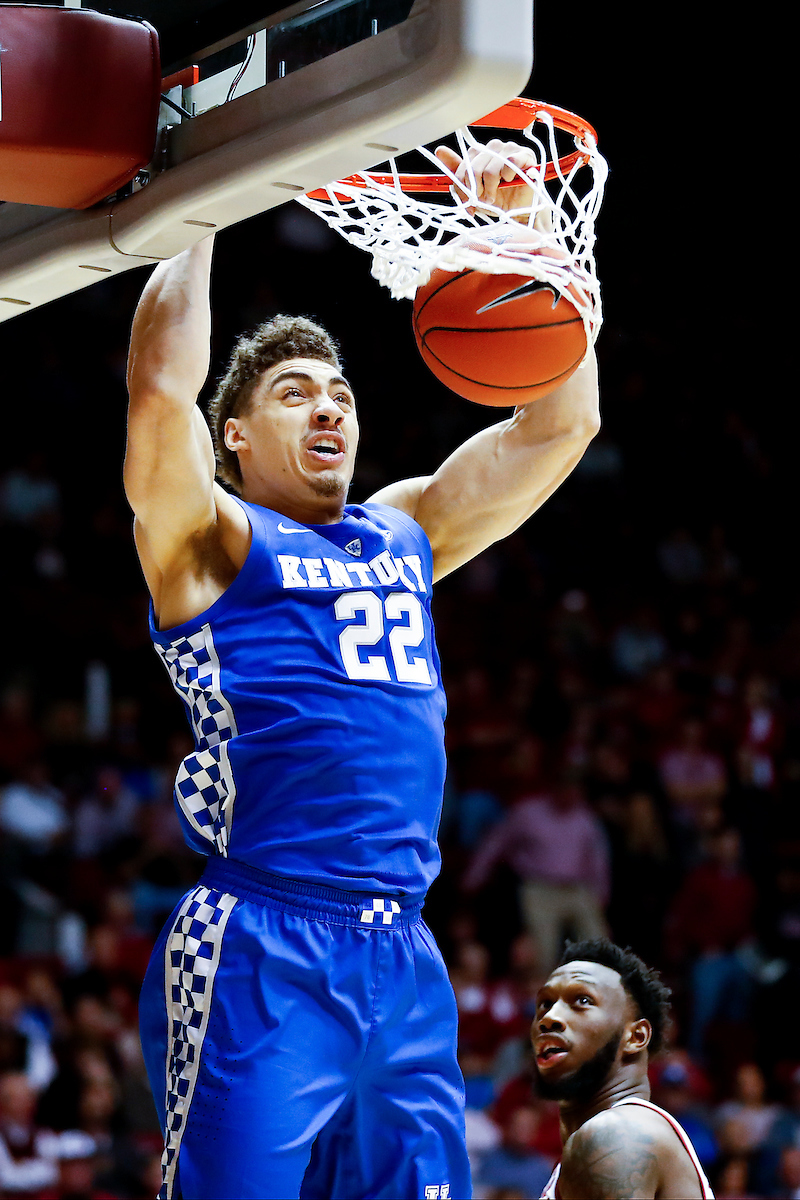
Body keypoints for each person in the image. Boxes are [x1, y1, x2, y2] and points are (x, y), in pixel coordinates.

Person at [125, 137, 600, 1200]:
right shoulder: (211, 541)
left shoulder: (402, 530)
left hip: (403, 957)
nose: (328, 406)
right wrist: (201, 194)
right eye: (294, 394)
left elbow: (561, 425)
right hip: (262, 944)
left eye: (338, 391)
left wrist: (520, 229)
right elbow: (160, 392)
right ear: (236, 437)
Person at [532, 938, 714, 1199]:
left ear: (635, 1037)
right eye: (545, 1003)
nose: (549, 1017)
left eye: (582, 1000)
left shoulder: (615, 1135)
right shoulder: (607, 1136)